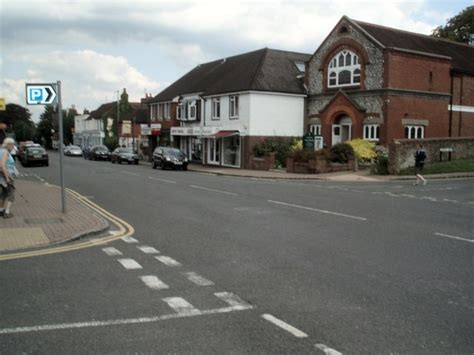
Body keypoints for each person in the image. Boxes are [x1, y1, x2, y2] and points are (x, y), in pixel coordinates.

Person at [0, 137, 18, 218]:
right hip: (6, 176)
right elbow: (3, 165)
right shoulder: (5, 152)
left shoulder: (1, 151)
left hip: (1, 176)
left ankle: (1, 210)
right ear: (8, 145)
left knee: (3, 193)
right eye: (12, 144)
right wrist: (7, 178)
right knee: (11, 193)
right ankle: (7, 212)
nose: (13, 146)